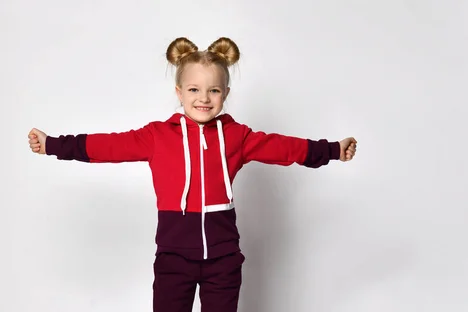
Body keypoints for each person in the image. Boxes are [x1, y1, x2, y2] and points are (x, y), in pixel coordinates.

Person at [27, 36, 357, 312]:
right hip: (173, 256)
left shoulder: (237, 136)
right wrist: (53, 144)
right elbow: (108, 147)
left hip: (224, 259)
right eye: (195, 90)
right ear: (179, 92)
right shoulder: (156, 136)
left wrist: (330, 150)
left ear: (225, 94)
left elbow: (283, 148)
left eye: (214, 90)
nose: (204, 98)